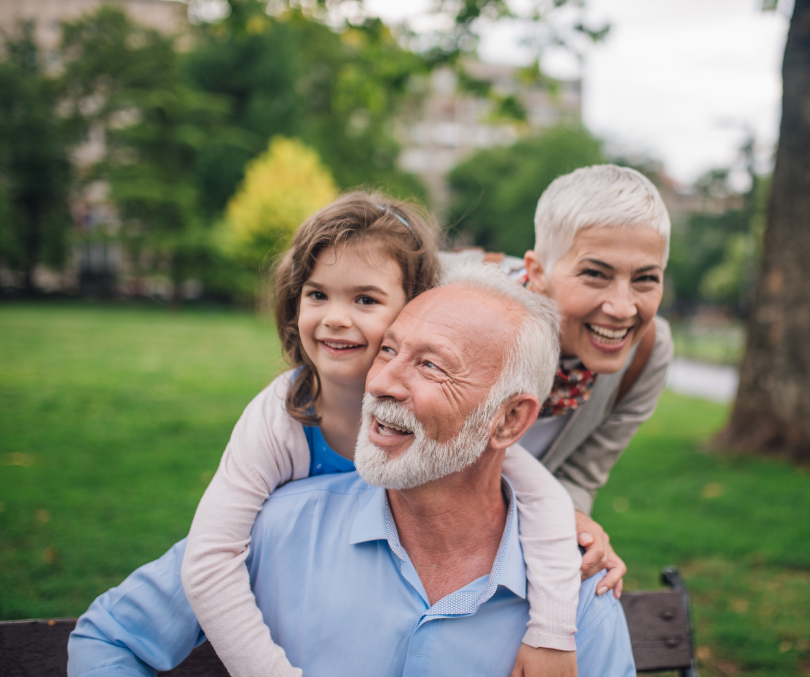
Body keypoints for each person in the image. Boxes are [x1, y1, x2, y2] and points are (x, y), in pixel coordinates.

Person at [68, 264, 636, 677]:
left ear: (510, 422)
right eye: (387, 351)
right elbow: (109, 641)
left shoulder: (577, 593)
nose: (383, 381)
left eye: (431, 365)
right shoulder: (278, 530)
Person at [179, 193, 580, 677]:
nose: (335, 318)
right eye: (316, 294)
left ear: (417, 306)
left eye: (365, 299)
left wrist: (553, 633)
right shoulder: (282, 414)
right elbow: (209, 559)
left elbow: (543, 498)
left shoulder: (454, 429)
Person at [519, 164, 674, 597]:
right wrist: (551, 514)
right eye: (595, 274)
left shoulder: (647, 354)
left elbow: (580, 475)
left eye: (645, 278)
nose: (623, 308)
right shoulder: (467, 317)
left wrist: (577, 532)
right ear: (536, 273)